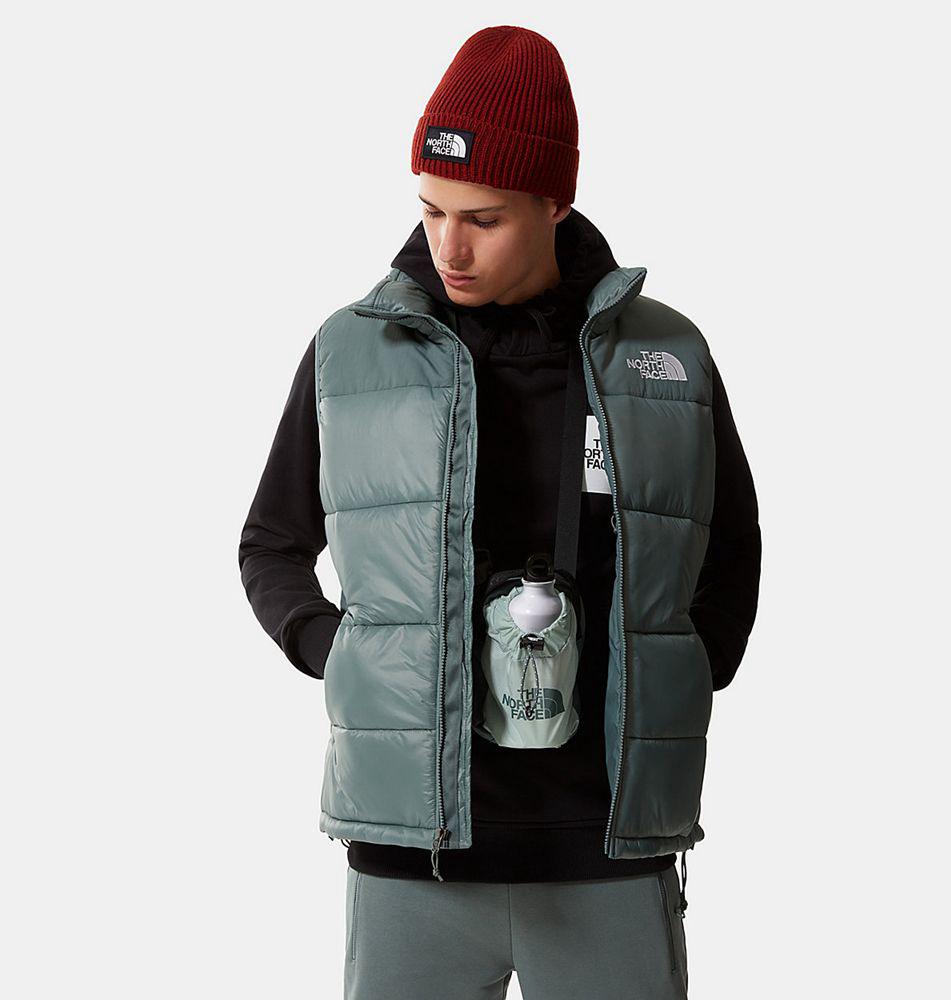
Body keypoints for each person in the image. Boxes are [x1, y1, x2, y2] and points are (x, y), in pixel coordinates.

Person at [238, 24, 760, 1000]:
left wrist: (692, 666)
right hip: (414, 854)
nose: (450, 245)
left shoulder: (665, 355)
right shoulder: (351, 352)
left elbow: (731, 544)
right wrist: (335, 649)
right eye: (431, 210)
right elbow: (271, 542)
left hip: (609, 846)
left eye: (483, 217)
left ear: (555, 203)